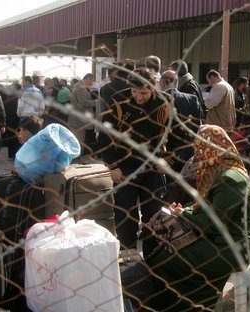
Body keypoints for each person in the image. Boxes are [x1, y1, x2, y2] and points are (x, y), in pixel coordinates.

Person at [142, 124, 250, 311]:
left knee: (168, 260)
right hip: (220, 240)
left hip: (231, 246)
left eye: (201, 149)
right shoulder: (223, 172)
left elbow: (213, 222)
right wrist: (184, 211)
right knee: (165, 252)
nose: (198, 155)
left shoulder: (230, 179)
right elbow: (208, 210)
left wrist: (184, 215)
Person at [98, 67, 170, 252]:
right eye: (135, 91)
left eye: (144, 93)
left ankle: (152, 256)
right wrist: (112, 166)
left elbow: (177, 135)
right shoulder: (117, 101)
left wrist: (168, 161)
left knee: (154, 215)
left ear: (153, 88)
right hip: (124, 167)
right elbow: (104, 137)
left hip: (153, 167)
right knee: (125, 216)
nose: (138, 97)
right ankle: (128, 256)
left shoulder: (165, 102)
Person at [159, 70, 202, 173]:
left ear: (163, 83)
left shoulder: (159, 101)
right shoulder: (192, 99)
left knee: (170, 186)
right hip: (189, 150)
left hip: (168, 153)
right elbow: (198, 126)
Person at [69, 73, 98, 156]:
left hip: (79, 118)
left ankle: (77, 157)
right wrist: (96, 102)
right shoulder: (80, 87)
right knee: (79, 140)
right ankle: (77, 158)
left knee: (78, 140)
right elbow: (84, 102)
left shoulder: (79, 86)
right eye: (92, 81)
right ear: (88, 79)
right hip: (79, 120)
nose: (92, 83)